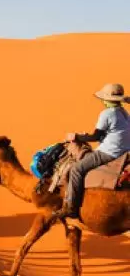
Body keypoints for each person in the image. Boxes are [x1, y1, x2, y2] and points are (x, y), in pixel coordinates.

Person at [54, 83, 130, 219]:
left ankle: (71, 208)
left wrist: (76, 136)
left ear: (106, 100)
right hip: (124, 150)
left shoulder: (106, 114)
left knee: (77, 169)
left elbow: (95, 137)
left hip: (110, 152)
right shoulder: (124, 112)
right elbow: (110, 133)